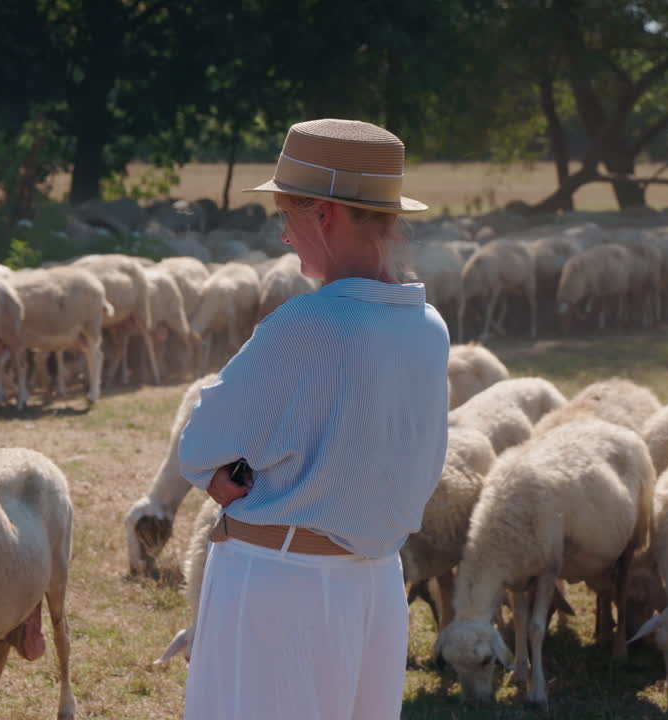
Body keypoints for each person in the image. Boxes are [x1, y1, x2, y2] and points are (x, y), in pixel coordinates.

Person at [176, 118, 451, 719]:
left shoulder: (306, 324)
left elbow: (198, 445)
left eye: (286, 217)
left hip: (283, 581)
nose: (283, 237)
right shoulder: (428, 328)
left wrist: (223, 477)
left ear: (323, 215)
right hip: (376, 584)